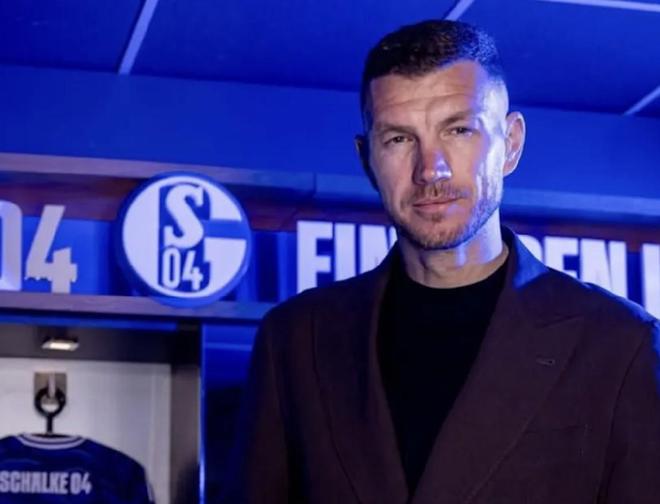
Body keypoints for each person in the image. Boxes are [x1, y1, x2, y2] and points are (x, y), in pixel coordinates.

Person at [221, 20, 660, 503]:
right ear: (367, 159)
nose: (431, 169)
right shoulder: (295, 339)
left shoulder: (620, 343)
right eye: (399, 139)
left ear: (511, 143)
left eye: (459, 130)